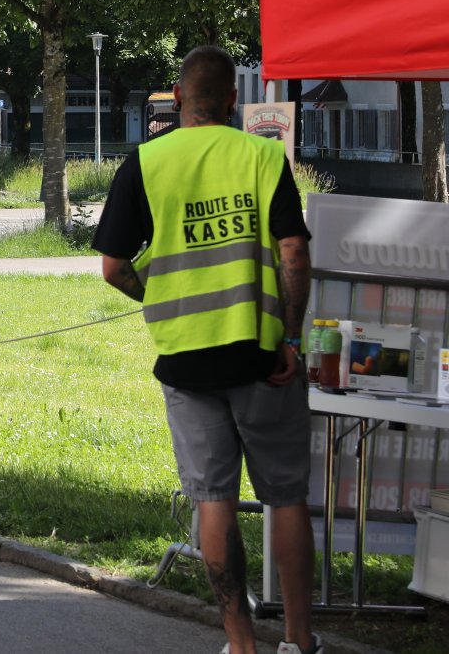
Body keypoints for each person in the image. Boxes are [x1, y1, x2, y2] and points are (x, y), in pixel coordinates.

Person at [93, 46, 319, 654]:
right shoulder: (262, 156)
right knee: (286, 498)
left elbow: (113, 267)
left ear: (176, 95)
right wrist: (291, 337)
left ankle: (240, 644)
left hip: (186, 361)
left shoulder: (146, 161)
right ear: (232, 100)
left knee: (213, 500)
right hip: (261, 356)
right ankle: (299, 641)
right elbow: (293, 252)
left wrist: (158, 296)